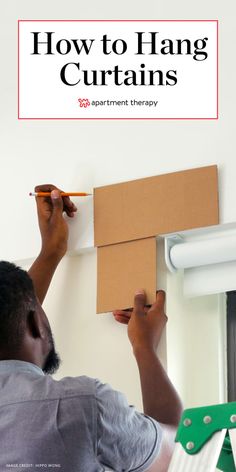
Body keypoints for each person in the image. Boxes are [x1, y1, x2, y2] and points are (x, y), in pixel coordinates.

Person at [0, 184, 182, 472]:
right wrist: (144, 348)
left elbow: (13, 315)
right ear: (36, 321)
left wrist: (51, 252)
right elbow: (177, 451)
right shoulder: (82, 406)